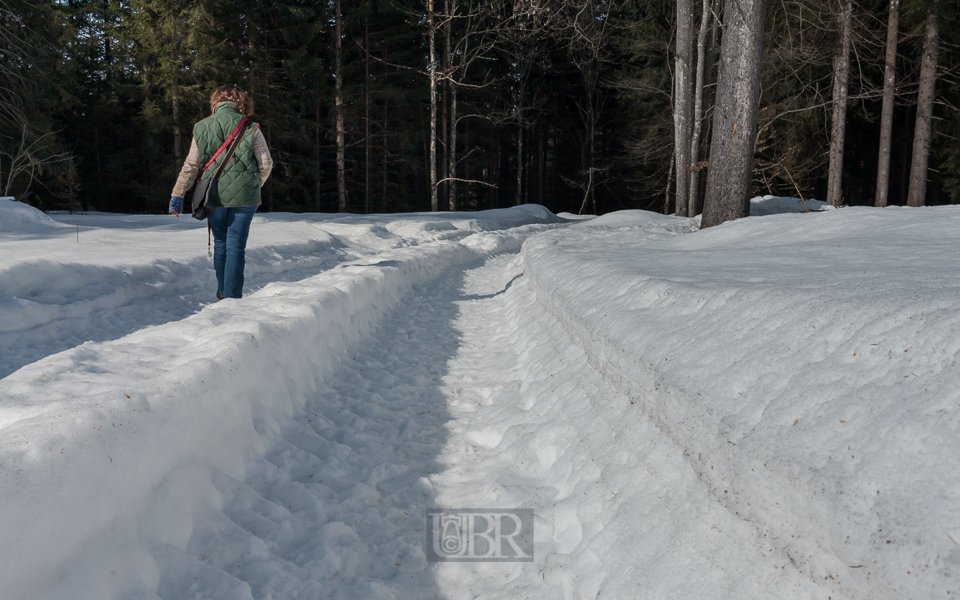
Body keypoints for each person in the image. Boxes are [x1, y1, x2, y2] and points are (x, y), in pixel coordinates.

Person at [169, 85, 273, 300]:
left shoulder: (201, 127)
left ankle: (223, 293)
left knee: (221, 243)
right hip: (246, 197)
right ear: (242, 103)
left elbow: (191, 165)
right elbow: (266, 162)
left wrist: (177, 195)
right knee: (236, 245)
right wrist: (254, 186)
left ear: (215, 102)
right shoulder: (251, 126)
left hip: (213, 195)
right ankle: (232, 296)